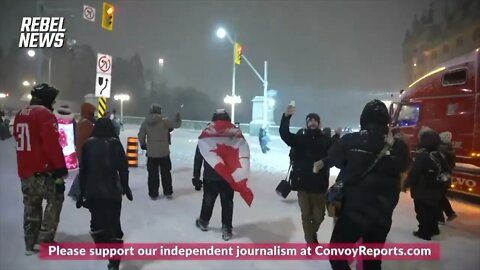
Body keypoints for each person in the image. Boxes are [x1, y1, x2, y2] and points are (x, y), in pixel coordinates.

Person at [327, 99, 410, 270]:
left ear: (363, 119)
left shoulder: (351, 140)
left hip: (354, 212)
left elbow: (334, 158)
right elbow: (405, 165)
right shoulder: (398, 146)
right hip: (383, 213)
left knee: (337, 254)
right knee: (372, 260)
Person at [13, 83, 68, 255]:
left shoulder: (20, 114)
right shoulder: (45, 115)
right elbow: (51, 144)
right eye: (52, 99)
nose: (53, 103)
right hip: (42, 171)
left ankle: (30, 241)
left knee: (31, 204)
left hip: (25, 171)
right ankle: (44, 240)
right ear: (46, 99)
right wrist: (60, 168)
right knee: (55, 199)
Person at [76, 118, 133, 270]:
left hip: (93, 191)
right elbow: (123, 168)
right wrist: (125, 187)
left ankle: (102, 246)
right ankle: (114, 261)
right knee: (114, 224)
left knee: (97, 222)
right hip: (113, 190)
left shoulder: (88, 144)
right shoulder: (115, 143)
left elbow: (83, 171)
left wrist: (81, 192)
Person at [193, 110, 253, 241]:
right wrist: (241, 174)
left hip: (211, 174)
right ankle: (227, 228)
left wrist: (196, 176)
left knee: (208, 200)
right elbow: (243, 151)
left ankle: (203, 221)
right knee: (227, 202)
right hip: (228, 175)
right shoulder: (235, 132)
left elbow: (199, 156)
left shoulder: (207, 133)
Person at [279, 104, 332, 244]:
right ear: (307, 123)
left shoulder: (326, 140)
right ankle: (310, 242)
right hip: (302, 183)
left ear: (319, 123)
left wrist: (325, 163)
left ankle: (311, 234)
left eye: (315, 120)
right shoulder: (299, 138)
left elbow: (334, 157)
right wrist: (286, 118)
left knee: (319, 216)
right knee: (306, 214)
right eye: (310, 120)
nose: (312, 122)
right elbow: (284, 134)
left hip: (319, 185)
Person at [404, 129, 449, 241]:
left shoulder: (423, 156)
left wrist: (407, 184)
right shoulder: (440, 155)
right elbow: (447, 170)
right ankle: (434, 229)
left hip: (422, 189)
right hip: (435, 188)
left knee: (422, 211)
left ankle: (424, 232)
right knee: (433, 209)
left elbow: (415, 172)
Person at [138, 104, 182, 200]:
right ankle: (168, 192)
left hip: (151, 153)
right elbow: (176, 125)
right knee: (166, 173)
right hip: (164, 152)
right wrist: (178, 118)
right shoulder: (164, 121)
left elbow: (141, 134)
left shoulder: (145, 122)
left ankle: (153, 193)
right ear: (160, 111)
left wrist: (143, 144)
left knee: (152, 174)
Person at [68, 102, 96, 201]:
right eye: (92, 112)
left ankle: (78, 192)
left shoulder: (81, 121)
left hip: (81, 151)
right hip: (86, 153)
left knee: (84, 172)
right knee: (84, 173)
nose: (94, 114)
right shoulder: (87, 124)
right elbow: (92, 136)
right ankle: (76, 192)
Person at [438, 131, 457, 223]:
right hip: (447, 177)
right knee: (441, 196)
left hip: (440, 177)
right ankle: (449, 213)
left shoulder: (440, 150)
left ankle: (441, 217)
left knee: (438, 197)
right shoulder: (451, 150)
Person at [54, 104, 78, 169]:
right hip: (70, 145)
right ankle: (70, 164)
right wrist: (76, 143)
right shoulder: (71, 120)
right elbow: (75, 131)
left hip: (59, 144)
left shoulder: (55, 119)